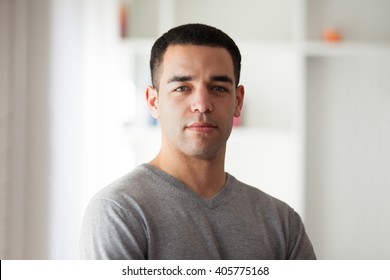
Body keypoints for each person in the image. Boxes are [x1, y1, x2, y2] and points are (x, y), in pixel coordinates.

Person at [80, 23, 316, 260]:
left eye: (218, 88)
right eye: (182, 87)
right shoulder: (119, 212)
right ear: (153, 102)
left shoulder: (282, 223)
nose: (202, 104)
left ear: (238, 101)